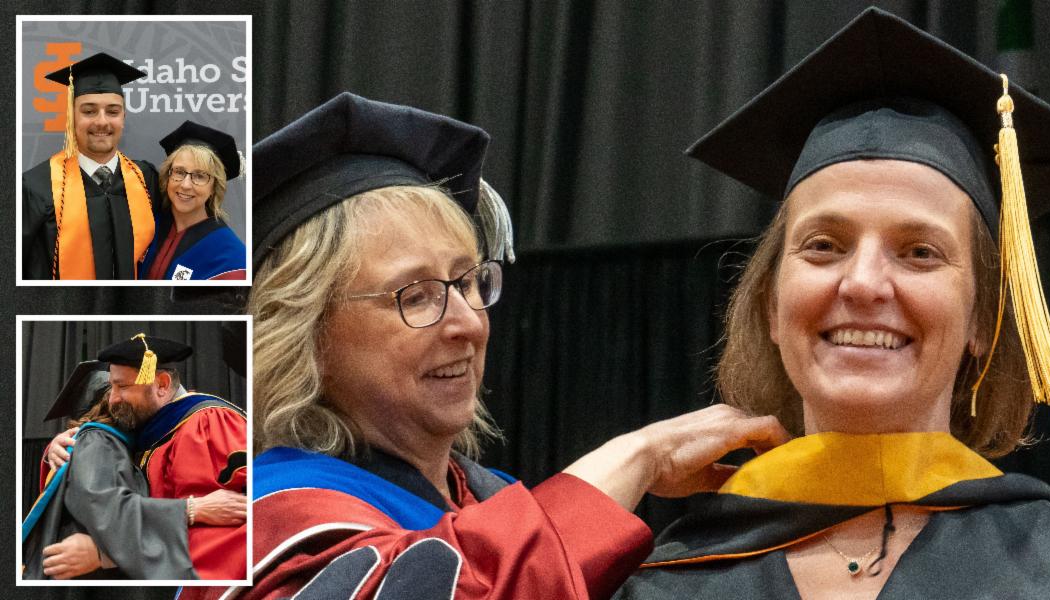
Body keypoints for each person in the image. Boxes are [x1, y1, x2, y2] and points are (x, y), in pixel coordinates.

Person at [618, 8, 1050, 599]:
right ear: (770, 304)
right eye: (823, 246)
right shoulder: (660, 587)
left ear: (982, 319)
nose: (864, 284)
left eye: (919, 252)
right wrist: (633, 458)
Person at [180, 92, 789, 600]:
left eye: (470, 282)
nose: (469, 323)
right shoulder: (256, 525)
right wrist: (639, 458)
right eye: (416, 295)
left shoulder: (489, 496)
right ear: (305, 334)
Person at [44, 335, 248, 580]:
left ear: (161, 385)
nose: (112, 398)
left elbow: (221, 531)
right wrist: (56, 452)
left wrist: (106, 555)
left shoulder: (204, 424)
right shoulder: (145, 430)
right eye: (111, 387)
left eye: (123, 387)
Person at [22, 360, 197, 579]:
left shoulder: (116, 445)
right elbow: (107, 512)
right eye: (117, 390)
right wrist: (192, 509)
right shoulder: (99, 441)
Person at [22, 52, 157, 280]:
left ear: (123, 117)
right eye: (89, 111)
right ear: (71, 117)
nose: (102, 121)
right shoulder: (36, 187)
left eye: (112, 111)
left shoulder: (145, 178)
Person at [139, 120, 247, 280]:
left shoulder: (230, 259)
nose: (186, 185)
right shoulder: (145, 226)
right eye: (179, 172)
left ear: (214, 187)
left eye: (200, 176)